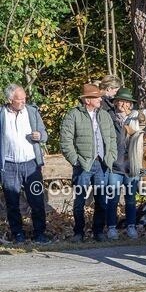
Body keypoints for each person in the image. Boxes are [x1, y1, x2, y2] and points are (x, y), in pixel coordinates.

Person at [60, 84, 116, 242]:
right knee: (79, 201)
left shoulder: (104, 115)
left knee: (101, 200)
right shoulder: (74, 115)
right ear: (88, 100)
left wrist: (110, 157)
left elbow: (112, 138)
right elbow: (66, 141)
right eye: (97, 97)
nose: (100, 99)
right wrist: (75, 160)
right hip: (83, 165)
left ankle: (98, 231)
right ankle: (79, 232)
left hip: (102, 164)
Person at [1, 84, 49, 243]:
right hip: (8, 166)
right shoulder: (1, 114)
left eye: (24, 98)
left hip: (31, 165)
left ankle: (40, 233)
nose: (23, 101)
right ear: (10, 99)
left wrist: (39, 135)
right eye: (19, 99)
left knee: (36, 200)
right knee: (12, 202)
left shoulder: (32, 111)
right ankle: (18, 234)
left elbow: (45, 135)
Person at [104, 88, 140, 240]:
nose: (122, 104)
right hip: (115, 165)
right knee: (112, 197)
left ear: (130, 104)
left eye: (125, 101)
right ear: (115, 102)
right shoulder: (109, 117)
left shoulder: (136, 119)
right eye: (119, 101)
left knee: (131, 198)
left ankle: (131, 226)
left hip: (131, 165)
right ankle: (112, 227)